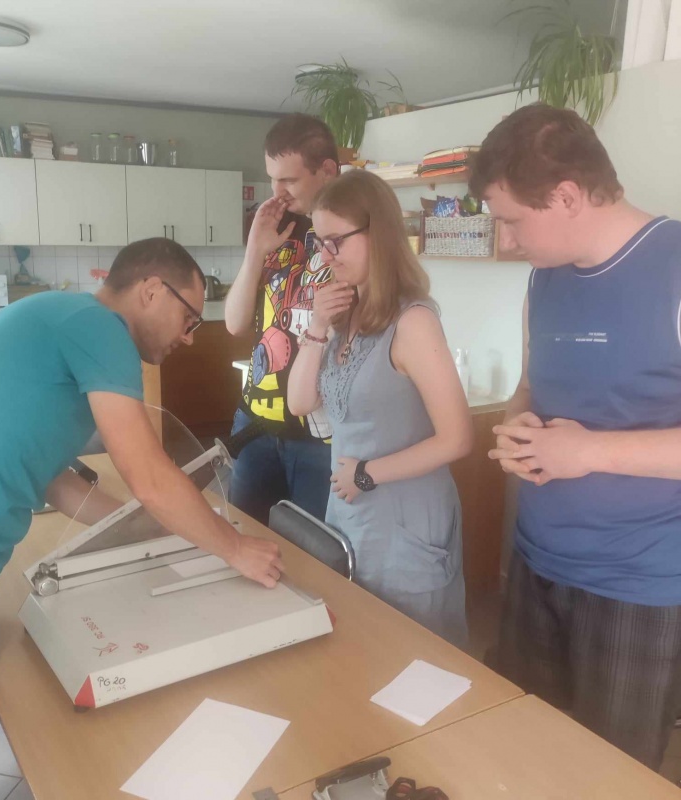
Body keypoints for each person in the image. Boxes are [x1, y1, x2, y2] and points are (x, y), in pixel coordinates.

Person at [0, 238, 283, 800]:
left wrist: (148, 529)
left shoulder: (60, 315)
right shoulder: (101, 329)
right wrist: (233, 548)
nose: (189, 336)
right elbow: (148, 472)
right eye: (189, 318)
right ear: (151, 291)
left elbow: (56, 481)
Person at [470, 103, 681, 770]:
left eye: (511, 220)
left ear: (566, 196)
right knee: (523, 752)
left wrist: (587, 451)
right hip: (536, 562)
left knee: (609, 773)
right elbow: (531, 385)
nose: (506, 241)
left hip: (635, 583)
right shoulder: (545, 278)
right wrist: (516, 422)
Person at [286, 169, 473, 646]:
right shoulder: (344, 314)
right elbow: (300, 402)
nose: (325, 257)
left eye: (336, 242)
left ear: (379, 235)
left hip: (404, 520)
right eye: (320, 243)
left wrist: (367, 474)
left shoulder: (414, 322)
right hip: (352, 515)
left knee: (415, 653)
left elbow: (457, 438)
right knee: (359, 647)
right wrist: (317, 326)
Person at [225, 113, 339, 525]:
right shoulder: (277, 227)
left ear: (327, 170)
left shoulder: (352, 232)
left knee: (311, 550)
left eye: (288, 180)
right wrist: (255, 250)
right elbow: (235, 323)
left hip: (321, 435)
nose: (277, 192)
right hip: (256, 421)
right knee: (245, 535)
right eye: (272, 179)